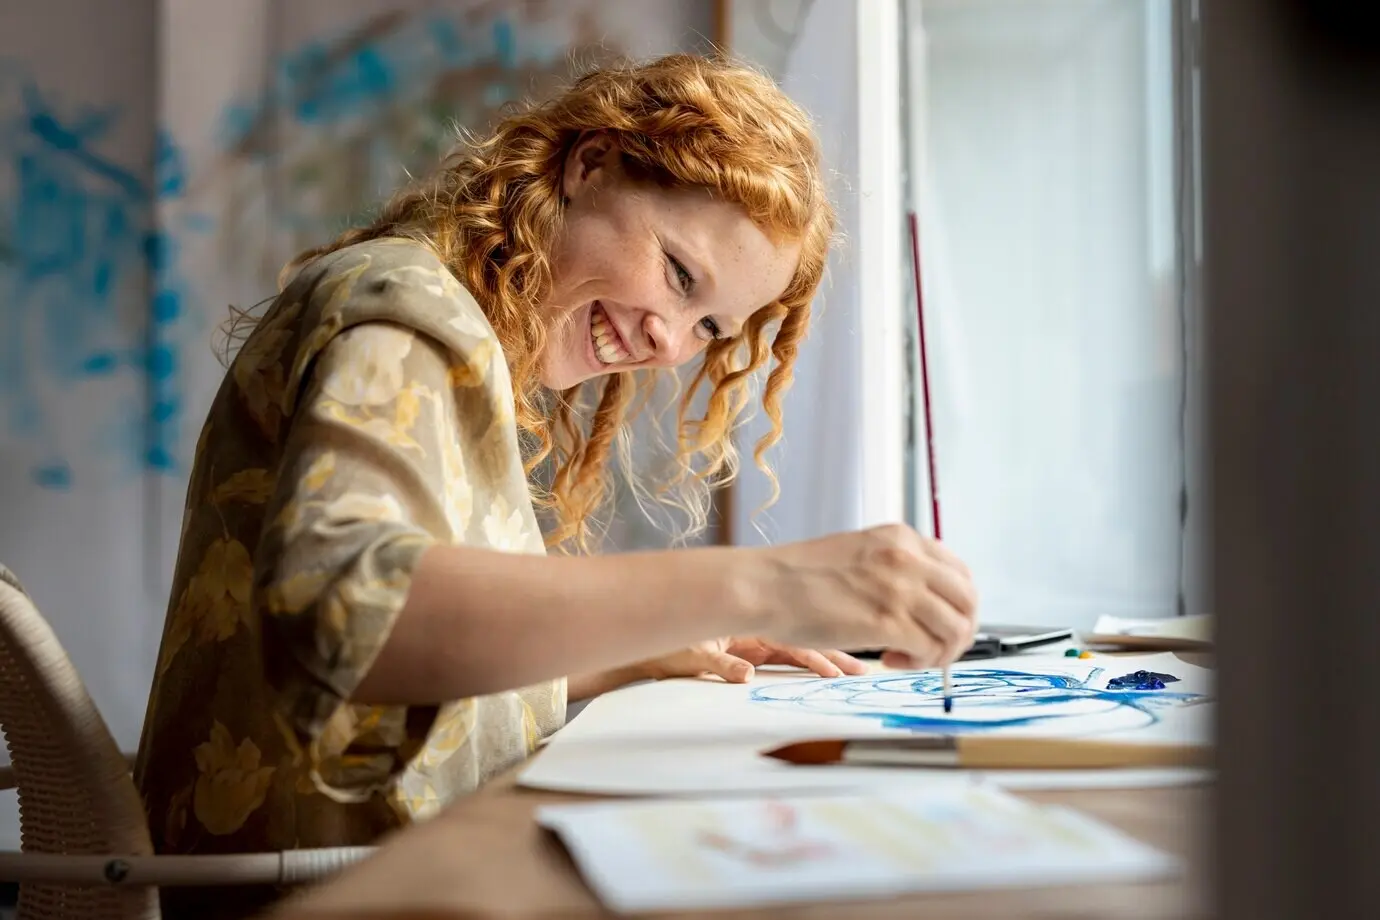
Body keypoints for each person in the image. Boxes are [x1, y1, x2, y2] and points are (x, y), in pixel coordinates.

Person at [134, 52, 978, 918]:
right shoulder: (405, 306)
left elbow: (421, 658)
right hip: (324, 895)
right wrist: (772, 580)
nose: (670, 343)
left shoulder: (460, 331)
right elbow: (351, 619)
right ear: (591, 165)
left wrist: (615, 657)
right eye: (679, 276)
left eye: (710, 327)